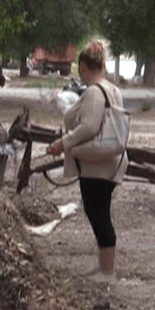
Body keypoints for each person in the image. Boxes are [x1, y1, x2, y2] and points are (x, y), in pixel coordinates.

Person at [47, 41, 127, 283]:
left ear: (83, 66)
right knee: (98, 212)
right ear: (102, 64)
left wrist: (64, 143)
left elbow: (89, 127)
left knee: (98, 214)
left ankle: (107, 272)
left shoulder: (93, 91)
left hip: (96, 164)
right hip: (108, 161)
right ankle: (103, 265)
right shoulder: (112, 89)